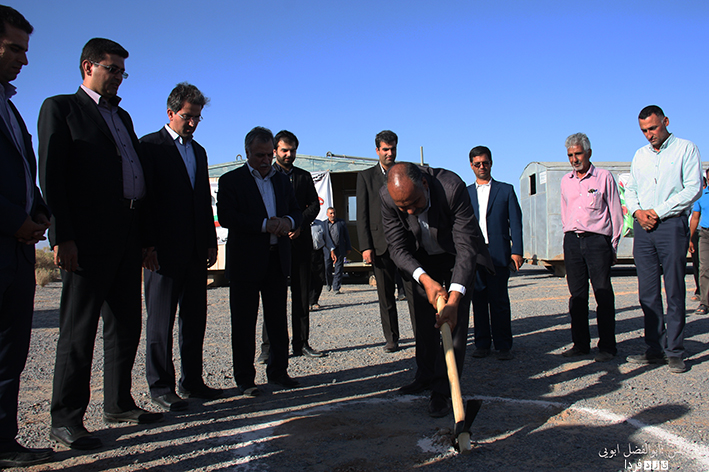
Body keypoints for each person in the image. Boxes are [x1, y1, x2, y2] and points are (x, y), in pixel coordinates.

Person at [38, 38, 163, 451]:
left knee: (125, 325)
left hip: (127, 234)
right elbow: (52, 176)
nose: (118, 78)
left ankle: (118, 404)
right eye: (112, 69)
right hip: (87, 239)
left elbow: (136, 179)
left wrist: (145, 239)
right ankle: (66, 419)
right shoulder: (62, 109)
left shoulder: (122, 116)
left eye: (123, 72)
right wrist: (62, 235)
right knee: (79, 330)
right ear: (88, 66)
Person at [381, 162, 493, 417]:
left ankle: (443, 389)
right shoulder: (388, 196)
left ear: (424, 184)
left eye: (415, 203)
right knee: (423, 320)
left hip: (455, 255)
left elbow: (466, 247)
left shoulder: (452, 189)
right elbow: (397, 248)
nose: (410, 211)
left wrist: (453, 300)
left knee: (453, 320)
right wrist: (425, 279)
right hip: (421, 259)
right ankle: (425, 375)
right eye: (403, 208)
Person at [140, 83, 221, 412]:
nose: (192, 123)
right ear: (170, 112)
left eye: (197, 118)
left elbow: (202, 201)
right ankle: (161, 386)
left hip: (195, 251)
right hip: (162, 252)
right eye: (187, 116)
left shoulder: (199, 152)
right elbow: (144, 200)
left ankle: (192, 381)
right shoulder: (150, 146)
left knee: (194, 319)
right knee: (160, 322)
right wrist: (147, 244)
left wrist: (210, 242)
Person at [0, 6, 54, 467]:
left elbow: (23, 174)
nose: (24, 59)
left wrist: (38, 211)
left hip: (16, 253)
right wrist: (9, 219)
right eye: (14, 48)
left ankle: (3, 441)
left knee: (10, 353)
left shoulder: (11, 110)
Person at [216, 126, 302, 397]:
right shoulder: (231, 181)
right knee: (244, 323)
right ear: (247, 153)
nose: (265, 161)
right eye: (259, 155)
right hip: (246, 262)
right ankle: (245, 379)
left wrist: (287, 221)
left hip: (277, 260)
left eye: (268, 155)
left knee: (277, 321)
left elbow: (296, 211)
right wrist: (264, 225)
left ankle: (279, 372)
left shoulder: (281, 181)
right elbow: (227, 216)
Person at [624, 105, 702, 374]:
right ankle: (654, 348)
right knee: (647, 292)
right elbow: (631, 189)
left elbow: (693, 188)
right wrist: (637, 212)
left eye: (653, 128)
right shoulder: (640, 155)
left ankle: (675, 351)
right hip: (644, 227)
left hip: (671, 225)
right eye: (644, 130)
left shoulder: (686, 149)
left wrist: (658, 211)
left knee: (674, 289)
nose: (649, 134)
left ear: (666, 121)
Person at [258, 130, 322, 363]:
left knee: (301, 295)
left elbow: (314, 205)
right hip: (274, 245)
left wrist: (299, 224)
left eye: (292, 150)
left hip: (300, 243)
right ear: (275, 150)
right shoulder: (267, 176)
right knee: (273, 297)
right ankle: (269, 348)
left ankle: (301, 343)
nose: (288, 154)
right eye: (284, 150)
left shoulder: (303, 177)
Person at [559, 133, 623, 362]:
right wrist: (568, 238)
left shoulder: (604, 177)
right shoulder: (566, 181)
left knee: (602, 293)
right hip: (572, 241)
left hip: (597, 241)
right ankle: (580, 345)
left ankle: (607, 347)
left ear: (589, 153)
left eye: (578, 154)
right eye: (570, 155)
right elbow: (565, 211)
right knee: (577, 295)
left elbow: (616, 213)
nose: (574, 159)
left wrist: (612, 245)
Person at [357, 130, 414, 352]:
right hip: (379, 245)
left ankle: (422, 334)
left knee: (413, 292)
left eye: (393, 149)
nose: (390, 153)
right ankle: (391, 338)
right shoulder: (365, 177)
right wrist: (366, 246)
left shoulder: (406, 172)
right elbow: (362, 214)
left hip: (405, 243)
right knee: (385, 294)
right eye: (385, 149)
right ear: (377, 150)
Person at [467, 146, 523, 361]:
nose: (482, 167)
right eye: (477, 164)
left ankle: (503, 345)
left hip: (499, 253)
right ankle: (482, 344)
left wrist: (517, 251)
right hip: (476, 254)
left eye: (485, 163)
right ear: (471, 165)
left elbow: (515, 223)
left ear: (491, 163)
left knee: (499, 301)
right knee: (479, 300)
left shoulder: (505, 190)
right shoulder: (466, 193)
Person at [689, 169, 709, 315]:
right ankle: (705, 302)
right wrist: (690, 238)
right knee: (704, 269)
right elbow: (695, 217)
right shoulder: (701, 196)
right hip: (705, 235)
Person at [309, 218, 335, 309]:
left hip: (318, 252)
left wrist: (332, 251)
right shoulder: (302, 223)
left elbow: (327, 238)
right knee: (308, 278)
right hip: (306, 253)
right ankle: (308, 301)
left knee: (319, 277)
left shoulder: (320, 224)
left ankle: (314, 300)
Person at [325, 207, 351, 294]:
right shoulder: (324, 224)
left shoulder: (341, 222)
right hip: (328, 250)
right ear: (327, 214)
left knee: (339, 268)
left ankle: (336, 287)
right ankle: (329, 283)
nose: (333, 215)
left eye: (334, 213)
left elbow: (346, 235)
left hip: (339, 248)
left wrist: (348, 247)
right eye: (331, 213)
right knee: (327, 267)